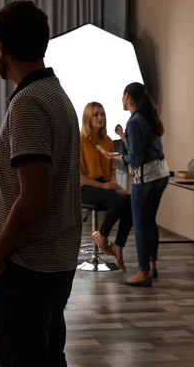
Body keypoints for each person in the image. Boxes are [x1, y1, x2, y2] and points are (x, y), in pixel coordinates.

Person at [0, 0, 81, 366]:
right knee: (48, 356)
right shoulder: (55, 94)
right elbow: (43, 184)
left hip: (27, 265)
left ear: (1, 47)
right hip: (53, 261)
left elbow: (37, 198)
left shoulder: (28, 104)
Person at [103, 82, 169, 287]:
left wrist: (117, 158)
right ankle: (152, 264)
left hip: (145, 177)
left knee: (140, 225)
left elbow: (137, 157)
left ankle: (142, 273)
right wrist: (124, 137)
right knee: (150, 222)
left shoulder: (134, 121)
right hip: (161, 174)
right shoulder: (146, 117)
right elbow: (144, 148)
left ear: (127, 96)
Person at [81, 101, 132, 271]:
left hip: (103, 185)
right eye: (95, 114)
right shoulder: (79, 141)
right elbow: (78, 176)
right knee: (120, 202)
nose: (100, 117)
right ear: (88, 117)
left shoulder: (108, 141)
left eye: (102, 114)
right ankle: (102, 235)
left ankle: (118, 245)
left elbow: (111, 170)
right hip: (85, 187)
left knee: (129, 200)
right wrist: (103, 187)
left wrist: (115, 186)